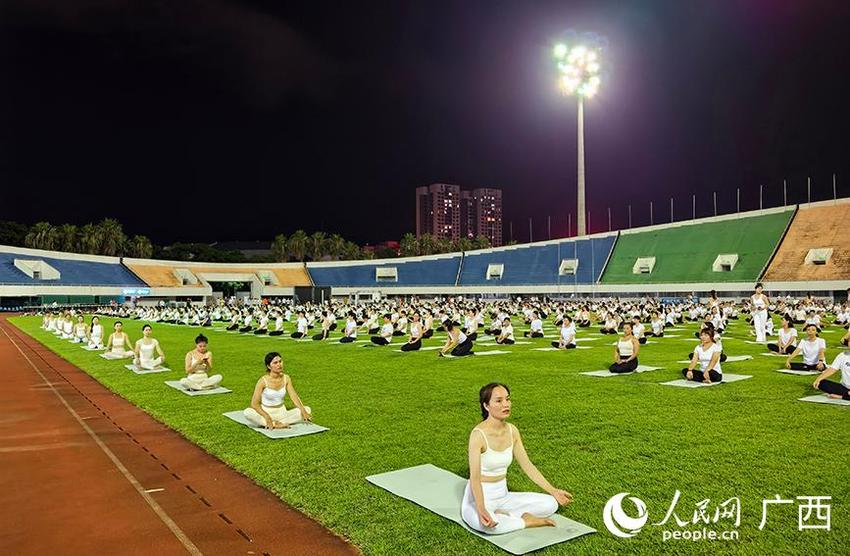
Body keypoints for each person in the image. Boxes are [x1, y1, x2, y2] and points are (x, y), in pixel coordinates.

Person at [461, 383, 571, 535]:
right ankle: (525, 521)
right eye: (499, 401)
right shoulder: (478, 435)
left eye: (507, 399)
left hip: (504, 496)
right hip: (480, 498)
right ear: (486, 406)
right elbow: (474, 478)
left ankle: (508, 516)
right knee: (486, 524)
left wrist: (553, 490)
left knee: (551, 503)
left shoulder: (512, 431)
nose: (506, 404)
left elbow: (527, 465)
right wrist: (481, 509)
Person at [243, 352, 312, 428]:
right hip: (267, 412)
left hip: (282, 413)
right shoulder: (262, 381)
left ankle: (276, 423)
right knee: (247, 412)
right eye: (275, 363)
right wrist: (267, 417)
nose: (279, 364)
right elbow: (254, 404)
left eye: (280, 361)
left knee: (307, 409)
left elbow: (294, 396)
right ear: (269, 366)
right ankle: (273, 423)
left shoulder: (286, 378)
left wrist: (303, 410)